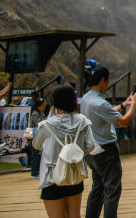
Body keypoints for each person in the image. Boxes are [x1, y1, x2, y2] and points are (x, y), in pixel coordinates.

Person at [81, 66, 136, 218]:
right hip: (106, 152)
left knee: (97, 189)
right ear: (103, 80)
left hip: (92, 151)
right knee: (112, 191)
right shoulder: (100, 103)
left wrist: (123, 105)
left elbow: (105, 113)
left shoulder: (87, 98)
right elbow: (124, 122)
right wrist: (134, 104)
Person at [32, 84, 98, 218]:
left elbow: (37, 145)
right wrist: (74, 154)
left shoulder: (47, 125)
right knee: (74, 215)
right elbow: (90, 145)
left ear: (54, 102)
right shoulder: (83, 121)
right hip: (74, 173)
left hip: (52, 176)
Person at [27, 98, 47, 178]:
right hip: (35, 136)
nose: (44, 107)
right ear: (38, 106)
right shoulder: (35, 113)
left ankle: (38, 171)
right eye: (43, 106)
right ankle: (34, 172)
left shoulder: (41, 113)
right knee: (35, 154)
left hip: (40, 135)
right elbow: (39, 123)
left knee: (39, 154)